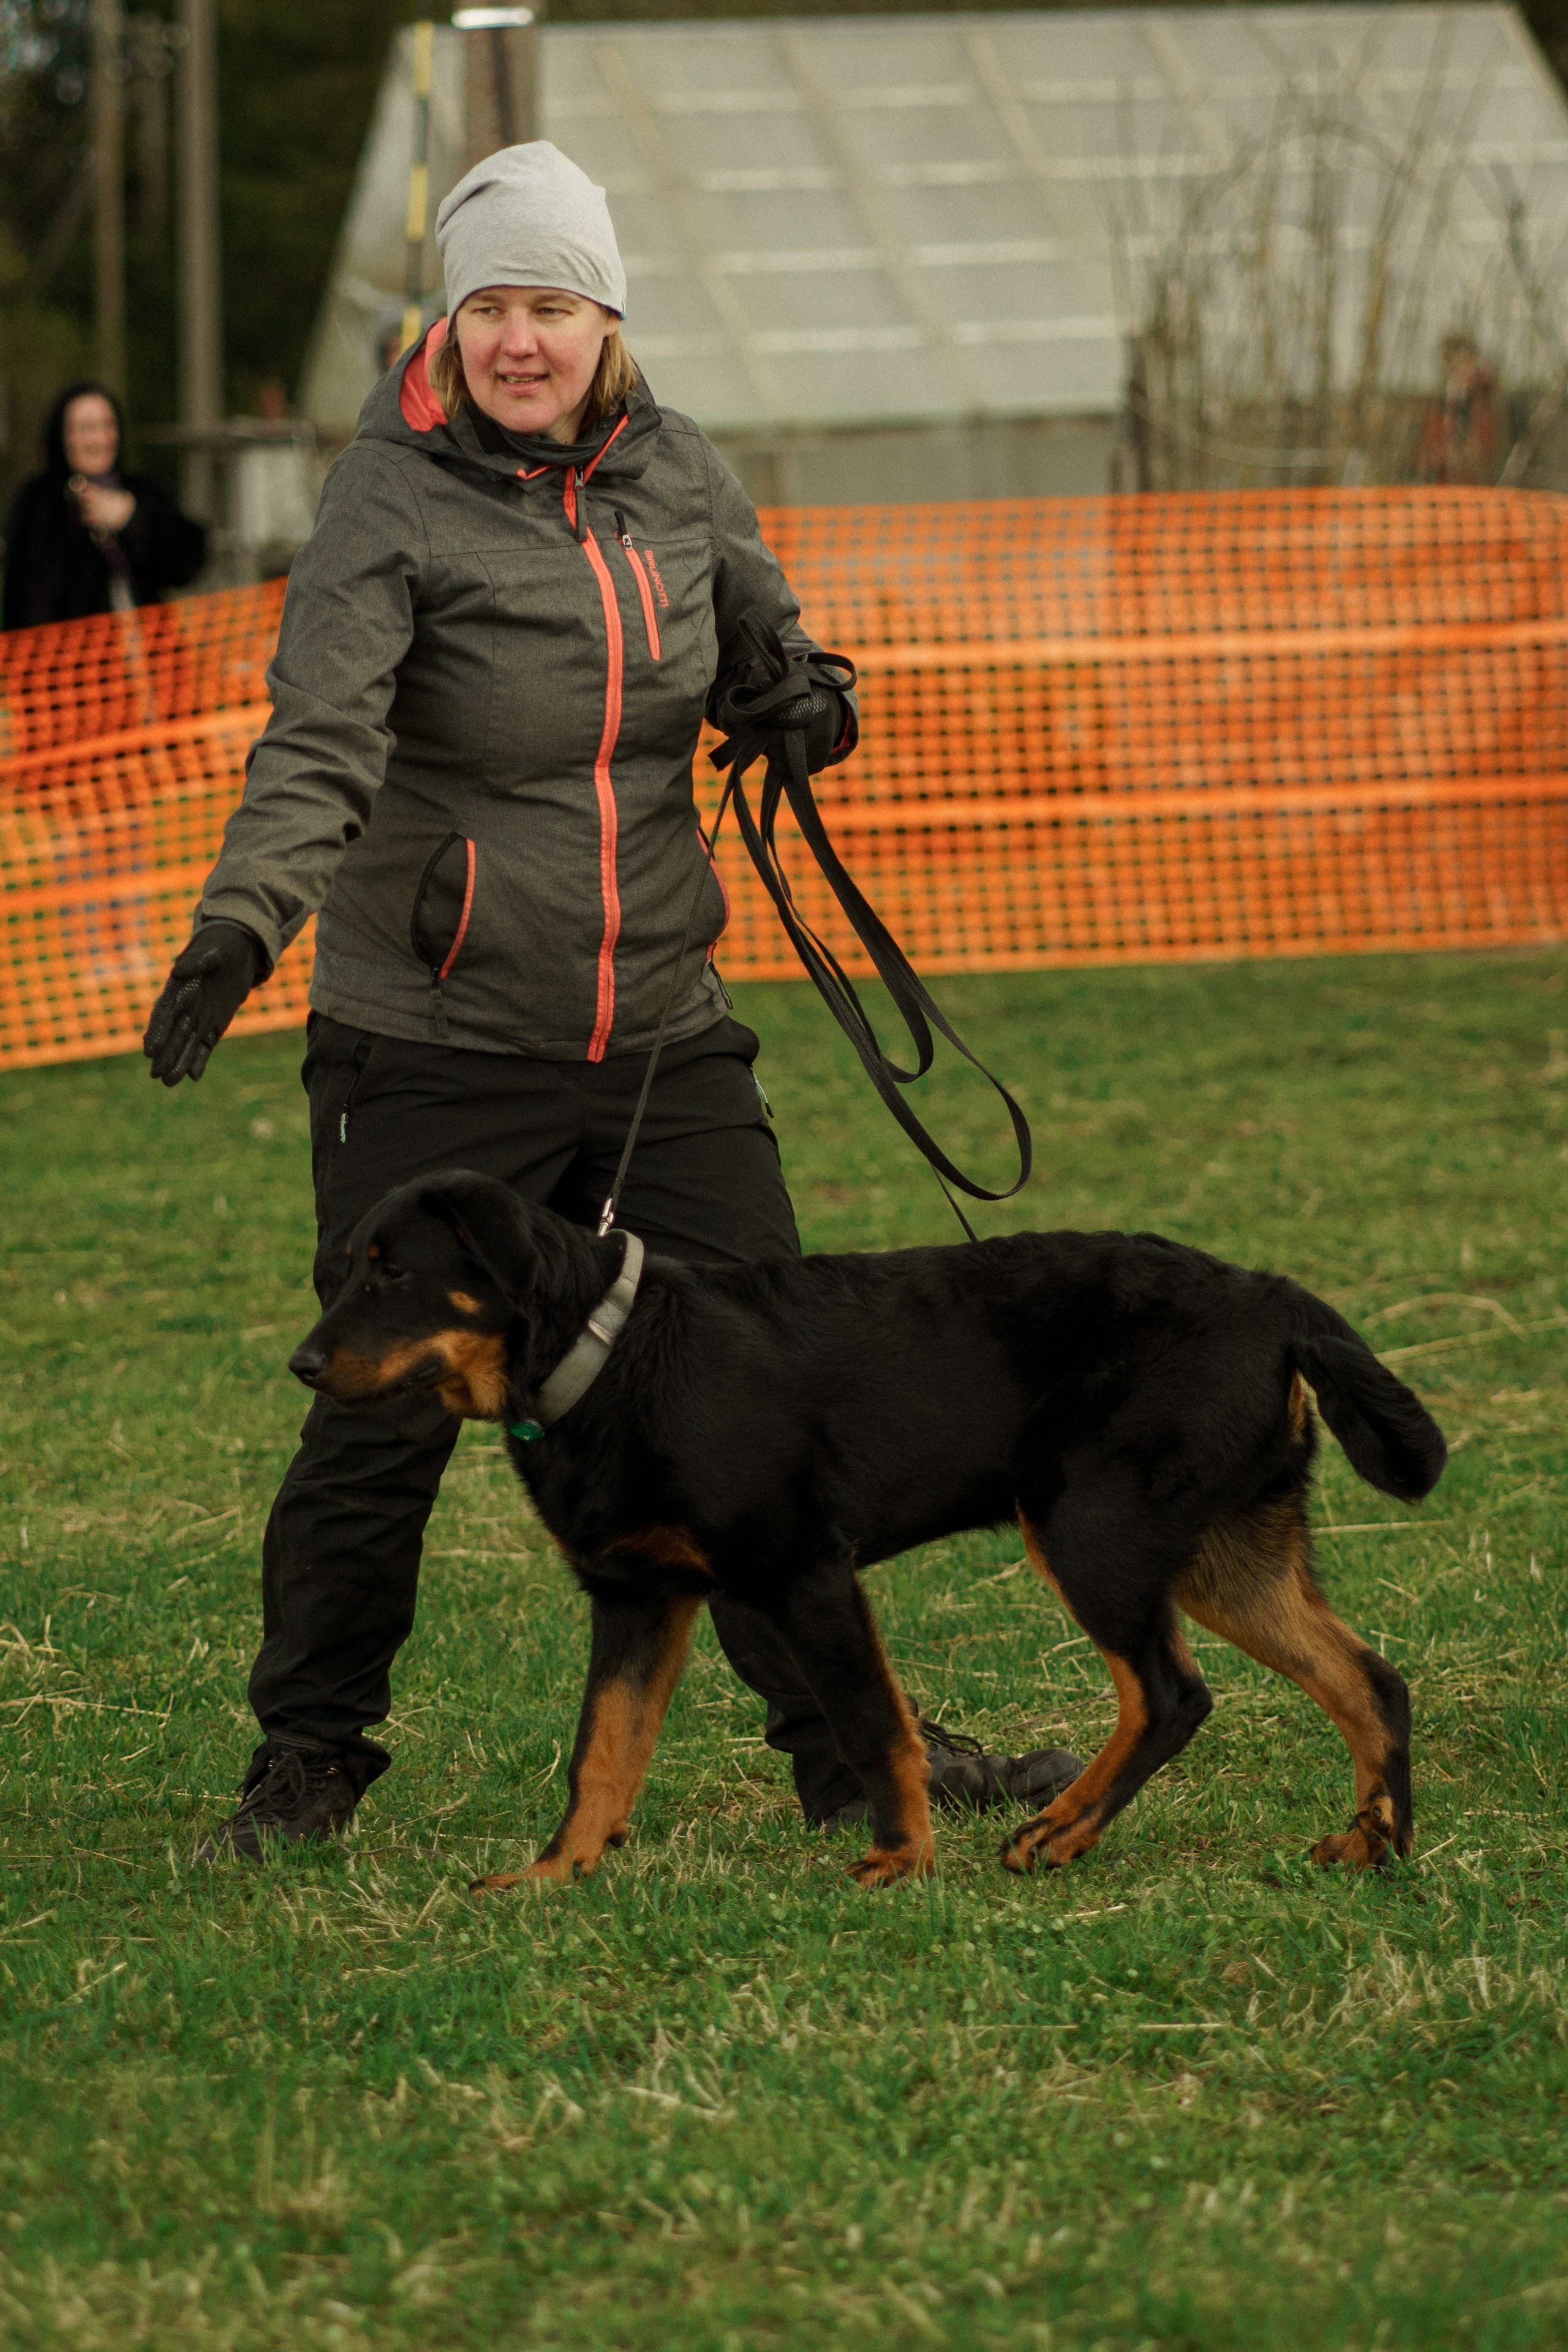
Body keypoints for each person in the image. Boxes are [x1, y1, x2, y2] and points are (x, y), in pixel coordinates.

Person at [142, 141, 1078, 1863]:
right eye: (490, 304)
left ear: (605, 320)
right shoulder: (387, 495)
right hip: (433, 1043)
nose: (519, 339)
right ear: (454, 318)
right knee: (380, 1409)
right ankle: (308, 1769)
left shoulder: (675, 468)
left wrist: (808, 704)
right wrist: (239, 925)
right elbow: (322, 742)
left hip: (657, 1022)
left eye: (551, 306)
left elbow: (766, 642)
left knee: (769, 1392)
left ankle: (855, 1754)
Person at [1, 380, 206, 631]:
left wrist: (132, 519)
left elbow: (188, 562)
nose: (98, 439)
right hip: (65, 659)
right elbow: (25, 598)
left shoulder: (143, 491)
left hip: (151, 655)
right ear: (63, 436)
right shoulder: (36, 503)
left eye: (106, 426)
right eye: (86, 428)